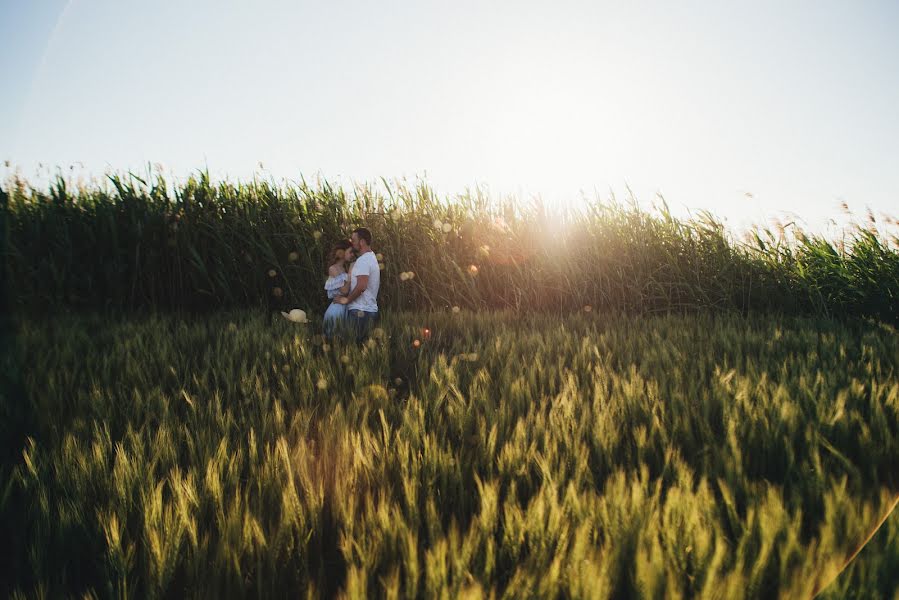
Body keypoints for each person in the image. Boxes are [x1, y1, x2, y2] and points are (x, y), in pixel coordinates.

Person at [334, 227, 380, 342]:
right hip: (367, 311)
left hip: (360, 312)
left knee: (353, 347)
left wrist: (346, 300)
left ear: (362, 242)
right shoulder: (371, 257)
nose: (352, 242)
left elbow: (361, 286)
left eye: (354, 240)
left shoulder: (363, 260)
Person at [322, 240, 353, 339]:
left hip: (345, 306)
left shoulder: (344, 268)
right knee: (335, 339)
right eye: (350, 251)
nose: (352, 254)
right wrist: (350, 275)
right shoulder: (333, 268)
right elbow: (344, 290)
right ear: (342, 252)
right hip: (337, 309)